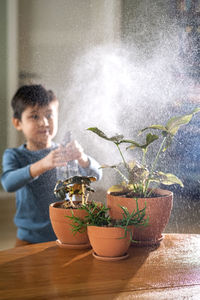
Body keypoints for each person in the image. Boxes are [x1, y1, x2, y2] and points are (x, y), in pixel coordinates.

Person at [1, 84, 102, 247]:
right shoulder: (15, 155)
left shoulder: (63, 151)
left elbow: (97, 174)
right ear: (17, 122)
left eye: (49, 115)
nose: (44, 122)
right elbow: (8, 183)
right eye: (34, 117)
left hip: (67, 234)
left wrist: (82, 158)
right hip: (29, 239)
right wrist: (43, 164)